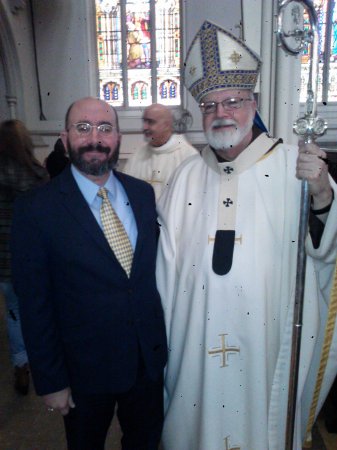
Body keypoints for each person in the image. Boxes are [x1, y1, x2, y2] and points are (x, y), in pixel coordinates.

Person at [156, 21, 337, 450]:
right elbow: (164, 273)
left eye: (233, 101)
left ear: (252, 103)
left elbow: (325, 250)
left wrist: (322, 194)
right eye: (210, 104)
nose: (221, 113)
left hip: (267, 343)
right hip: (193, 349)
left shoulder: (297, 165)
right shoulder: (185, 175)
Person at [11, 97, 167, 450]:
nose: (94, 138)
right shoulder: (36, 209)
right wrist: (51, 380)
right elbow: (34, 305)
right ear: (65, 139)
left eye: (105, 128)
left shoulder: (142, 195)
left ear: (118, 139)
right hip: (83, 371)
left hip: (146, 363)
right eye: (83, 128)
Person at [0, 119, 49, 395]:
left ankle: (21, 364)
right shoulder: (38, 174)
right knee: (38, 308)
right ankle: (45, 358)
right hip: (35, 255)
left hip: (5, 255)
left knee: (14, 311)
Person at [122, 103, 198, 200]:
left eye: (150, 122)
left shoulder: (188, 156)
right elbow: (126, 194)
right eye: (144, 121)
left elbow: (194, 199)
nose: (144, 127)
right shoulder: (137, 155)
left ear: (166, 125)